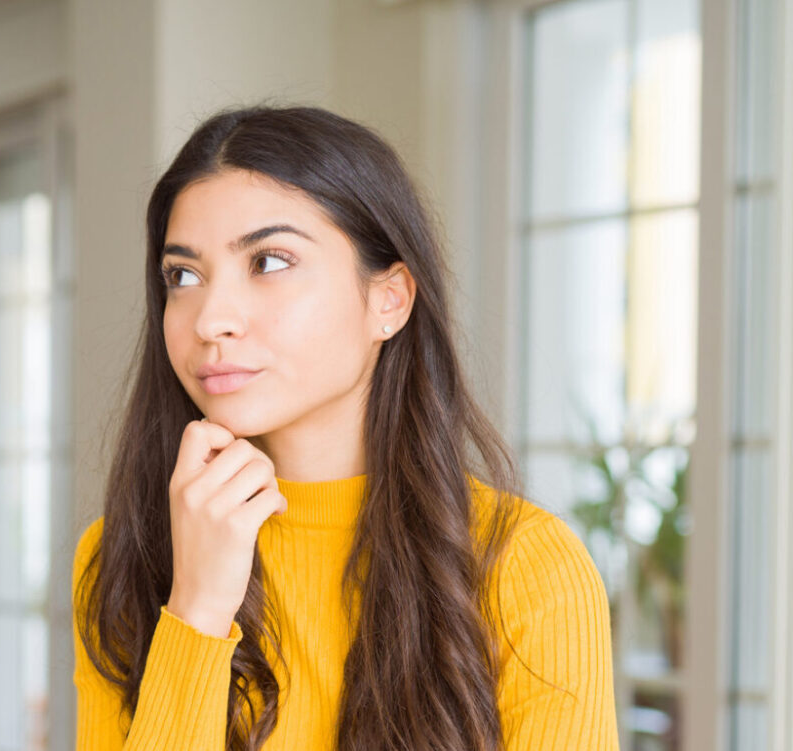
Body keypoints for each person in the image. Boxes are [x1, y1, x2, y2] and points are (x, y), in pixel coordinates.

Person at [72, 103, 620, 751]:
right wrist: (195, 610)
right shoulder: (125, 555)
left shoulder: (526, 567)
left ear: (388, 299)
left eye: (269, 261)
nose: (210, 317)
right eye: (182, 275)